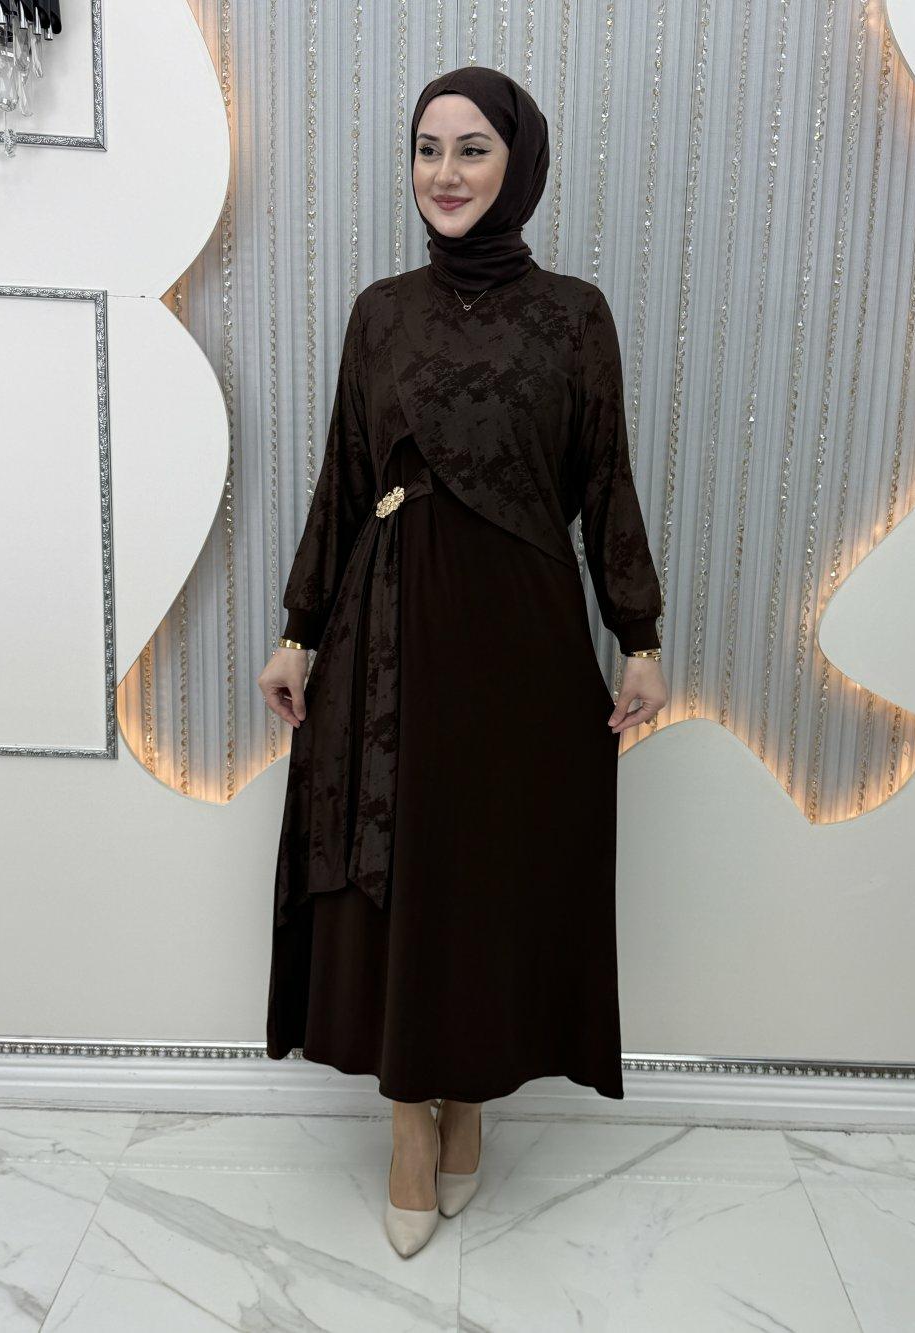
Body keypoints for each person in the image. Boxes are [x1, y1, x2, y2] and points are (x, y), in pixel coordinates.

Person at [257, 65, 667, 1257]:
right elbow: (343, 477)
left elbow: (607, 482)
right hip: (390, 624)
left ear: (517, 162)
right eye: (427, 148)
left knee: (490, 871)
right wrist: (297, 627)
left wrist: (638, 635)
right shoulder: (381, 313)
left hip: (523, 634)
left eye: (472, 148)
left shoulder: (574, 315)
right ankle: (406, 1122)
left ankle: (471, 1093)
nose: (445, 172)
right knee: (393, 867)